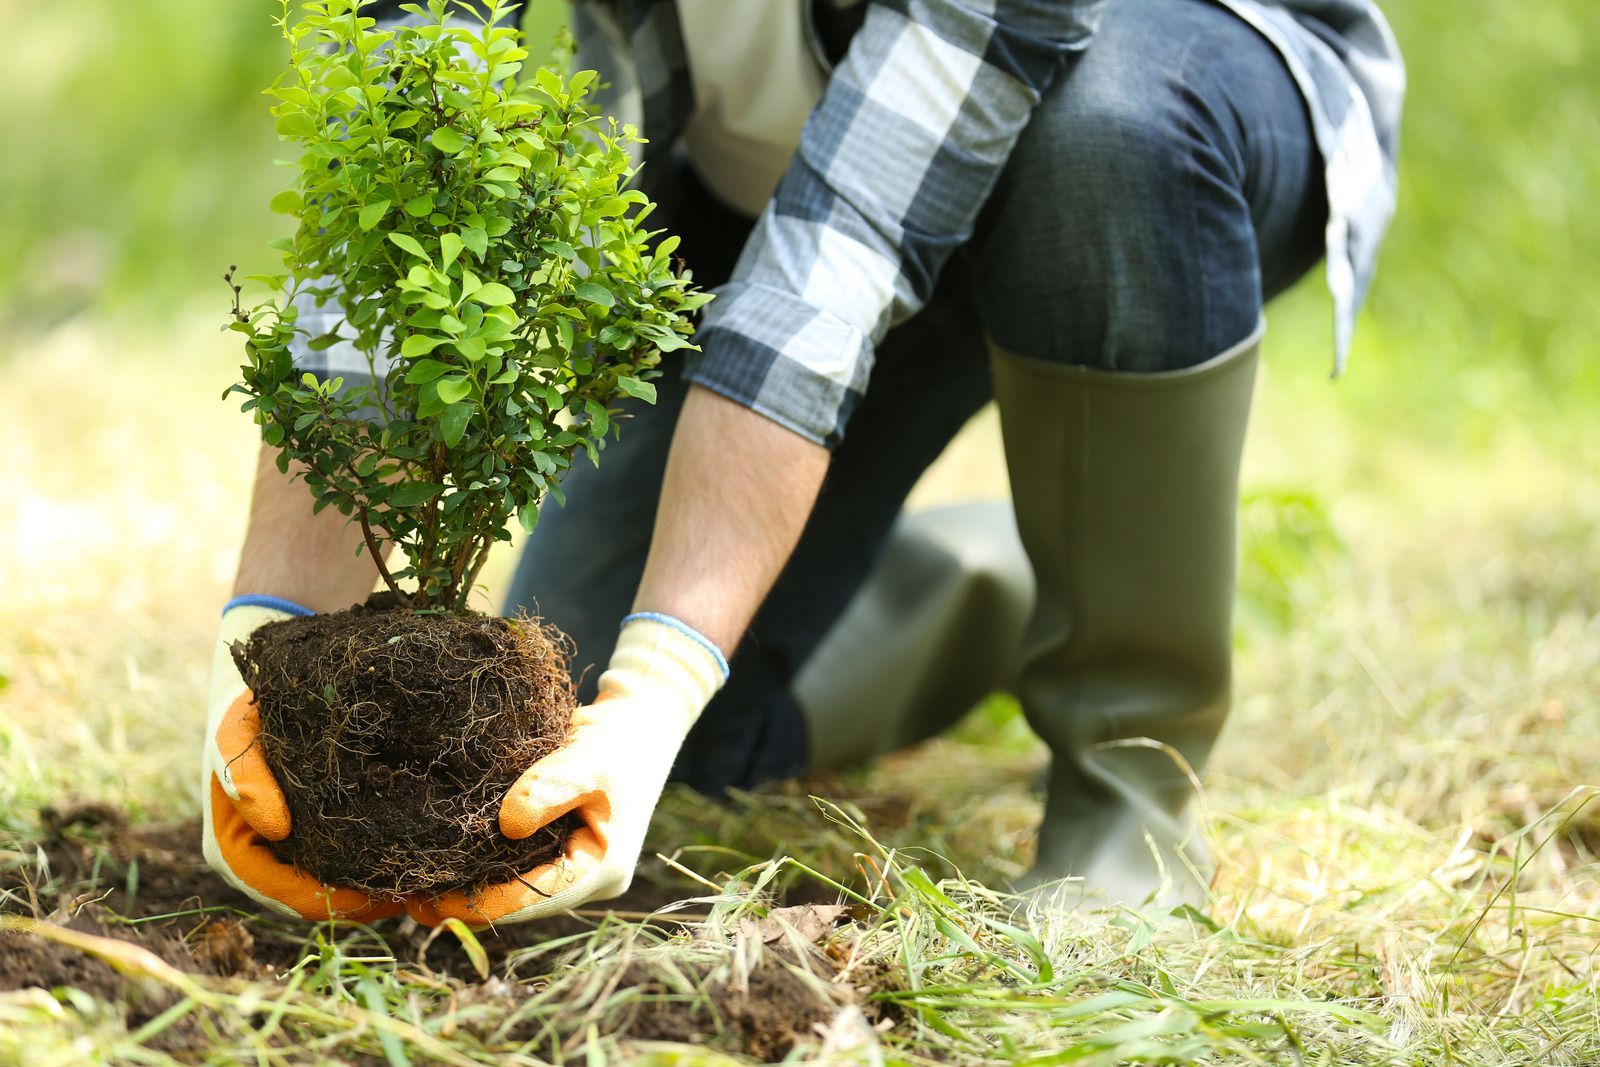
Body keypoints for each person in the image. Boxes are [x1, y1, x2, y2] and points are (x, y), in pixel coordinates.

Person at [202, 0, 1404, 923]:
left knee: (1105, 138)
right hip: (773, 178)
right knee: (607, 734)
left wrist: (666, 670)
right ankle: (1019, 570)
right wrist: (263, 647)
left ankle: (1126, 784)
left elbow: (843, 248)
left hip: (1149, 103)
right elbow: (408, 144)